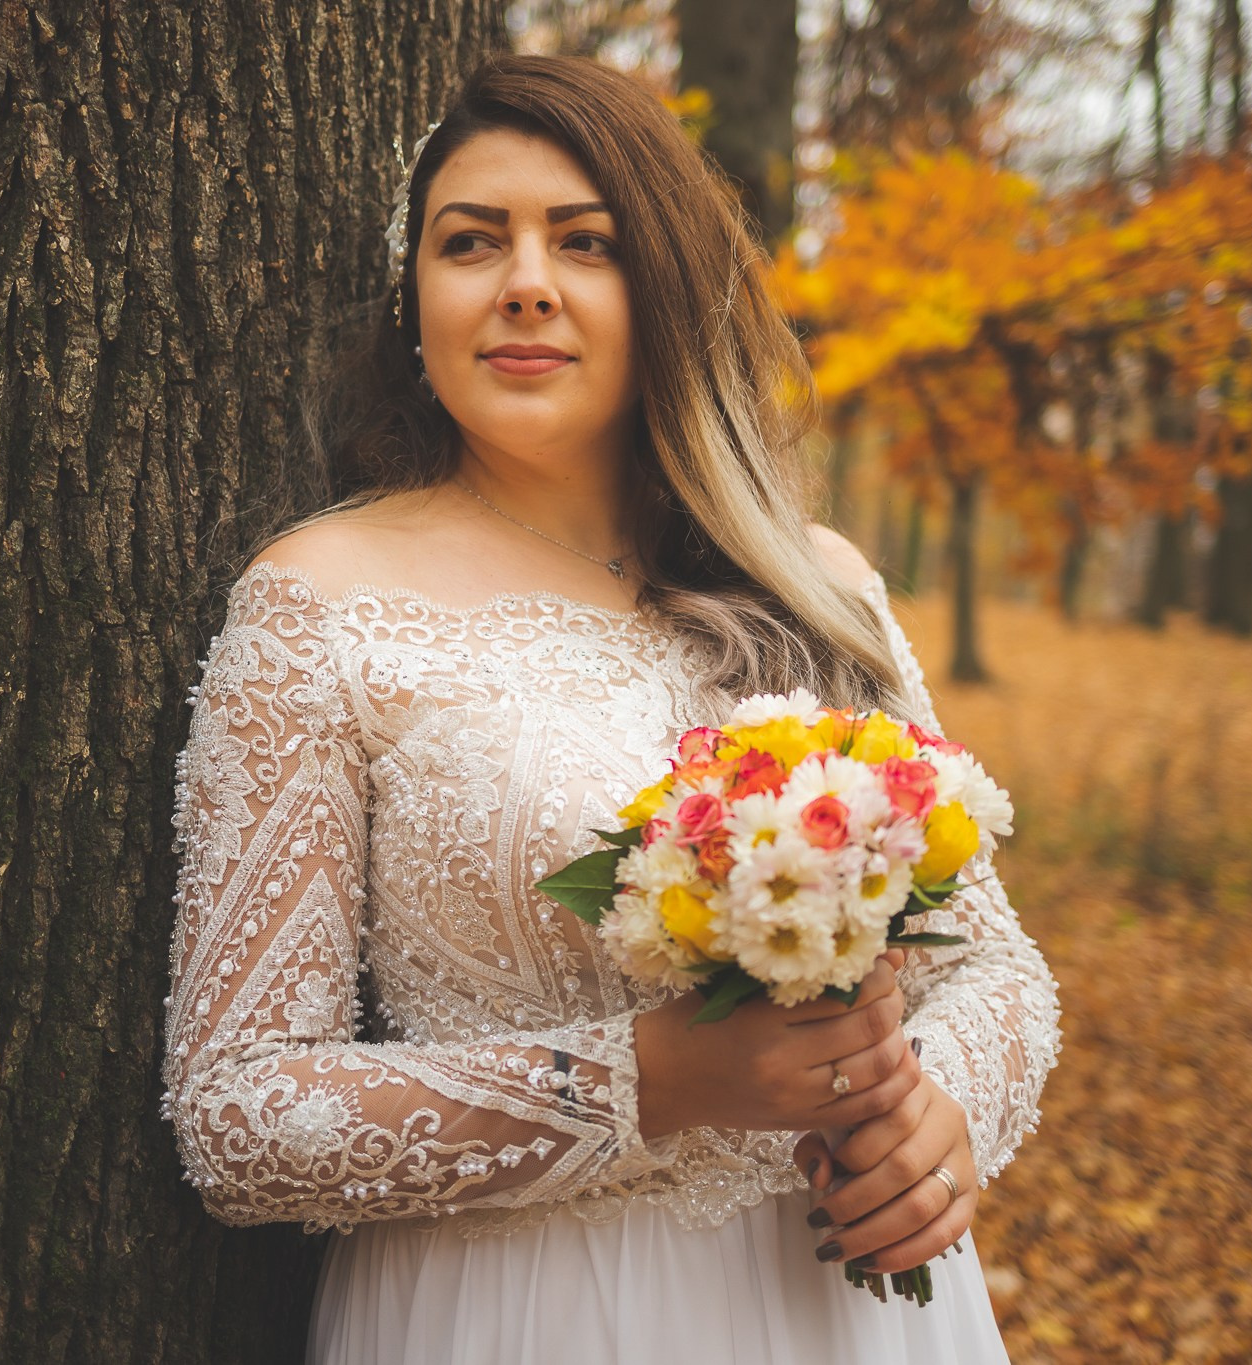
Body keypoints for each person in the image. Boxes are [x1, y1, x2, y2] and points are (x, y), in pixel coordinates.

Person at [159, 52, 1061, 1364]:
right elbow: (238, 1116)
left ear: (664, 291)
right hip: (524, 1313)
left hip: (853, 1309)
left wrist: (948, 1113)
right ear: (416, 301)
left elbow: (992, 964)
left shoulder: (818, 588)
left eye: (586, 242)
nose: (526, 279)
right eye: (472, 241)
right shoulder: (322, 604)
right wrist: (646, 1080)